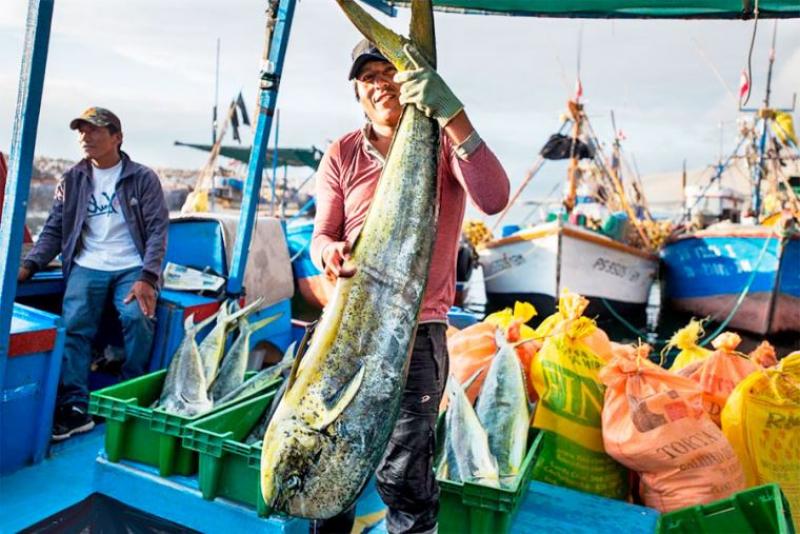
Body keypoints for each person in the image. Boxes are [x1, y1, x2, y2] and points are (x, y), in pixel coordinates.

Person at [310, 40, 510, 534]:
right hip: (347, 332)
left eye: (389, 71)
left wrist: (452, 113)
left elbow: (495, 197)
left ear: (410, 80)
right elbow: (322, 234)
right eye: (367, 76)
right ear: (357, 91)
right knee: (332, 459)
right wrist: (328, 253)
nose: (380, 83)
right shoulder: (342, 152)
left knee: (404, 476)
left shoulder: (441, 141)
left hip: (417, 334)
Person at [17, 107, 169, 441]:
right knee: (73, 327)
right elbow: (54, 230)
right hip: (87, 264)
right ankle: (75, 406)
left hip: (132, 266)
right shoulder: (72, 179)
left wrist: (148, 276)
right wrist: (29, 267)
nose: (86, 137)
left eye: (96, 130)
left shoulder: (142, 178)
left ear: (117, 137)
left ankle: (129, 392)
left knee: (137, 316)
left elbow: (158, 230)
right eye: (82, 131)